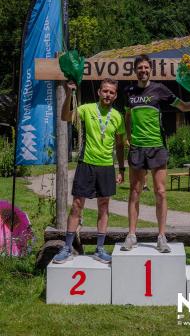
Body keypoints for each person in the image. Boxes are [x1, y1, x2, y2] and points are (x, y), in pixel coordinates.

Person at [121, 54, 190, 253]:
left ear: (150, 70)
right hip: (137, 148)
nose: (143, 71)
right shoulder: (128, 91)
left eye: (146, 68)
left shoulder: (159, 89)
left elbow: (181, 105)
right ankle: (131, 235)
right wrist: (128, 139)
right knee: (134, 192)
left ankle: (161, 237)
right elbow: (127, 118)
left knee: (161, 192)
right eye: (140, 68)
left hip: (157, 146)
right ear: (135, 70)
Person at [53, 78, 125, 264]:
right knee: (77, 205)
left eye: (111, 92)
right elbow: (65, 117)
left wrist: (122, 169)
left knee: (104, 206)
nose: (108, 94)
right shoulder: (86, 109)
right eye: (105, 91)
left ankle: (99, 249)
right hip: (86, 163)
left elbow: (119, 145)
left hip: (106, 166)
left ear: (115, 95)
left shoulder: (117, 116)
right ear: (99, 92)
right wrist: (69, 93)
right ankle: (67, 248)